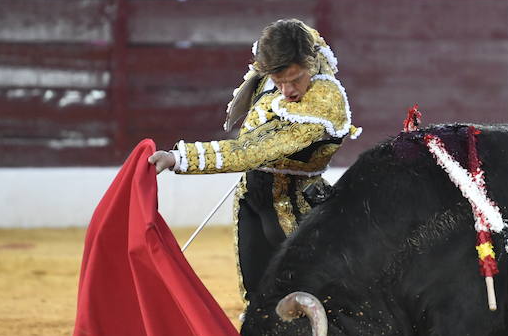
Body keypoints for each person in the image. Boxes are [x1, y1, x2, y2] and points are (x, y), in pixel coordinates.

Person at [147, 19, 361, 307]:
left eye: (295, 79)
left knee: (319, 294)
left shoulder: (324, 104)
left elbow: (252, 151)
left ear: (310, 64)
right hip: (252, 195)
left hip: (297, 205)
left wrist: (179, 158)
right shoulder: (294, 48)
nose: (287, 90)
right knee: (255, 296)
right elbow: (296, 32)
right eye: (278, 81)